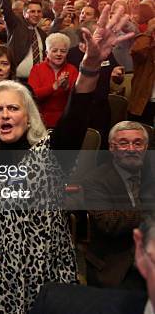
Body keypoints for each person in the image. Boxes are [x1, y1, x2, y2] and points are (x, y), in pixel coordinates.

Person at [0, 5, 135, 314]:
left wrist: (90, 66)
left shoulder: (51, 151)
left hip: (48, 277)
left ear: (29, 115)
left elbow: (76, 114)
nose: (5, 114)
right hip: (0, 280)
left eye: (13, 108)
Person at [84, 121, 152, 288]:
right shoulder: (95, 180)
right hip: (117, 264)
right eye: (123, 143)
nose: (131, 149)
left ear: (146, 147)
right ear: (112, 148)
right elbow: (109, 223)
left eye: (137, 143)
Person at [0, 0, 46, 82]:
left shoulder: (42, 34)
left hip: (37, 82)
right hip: (16, 80)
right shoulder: (16, 25)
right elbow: (6, 9)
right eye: (32, 11)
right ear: (24, 13)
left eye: (39, 12)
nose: (36, 15)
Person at [28, 32, 78, 128]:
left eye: (63, 51)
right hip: (40, 121)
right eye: (54, 51)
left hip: (66, 121)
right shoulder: (37, 69)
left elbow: (78, 100)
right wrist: (54, 86)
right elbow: (32, 95)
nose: (59, 54)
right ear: (47, 53)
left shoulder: (72, 69)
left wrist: (67, 87)